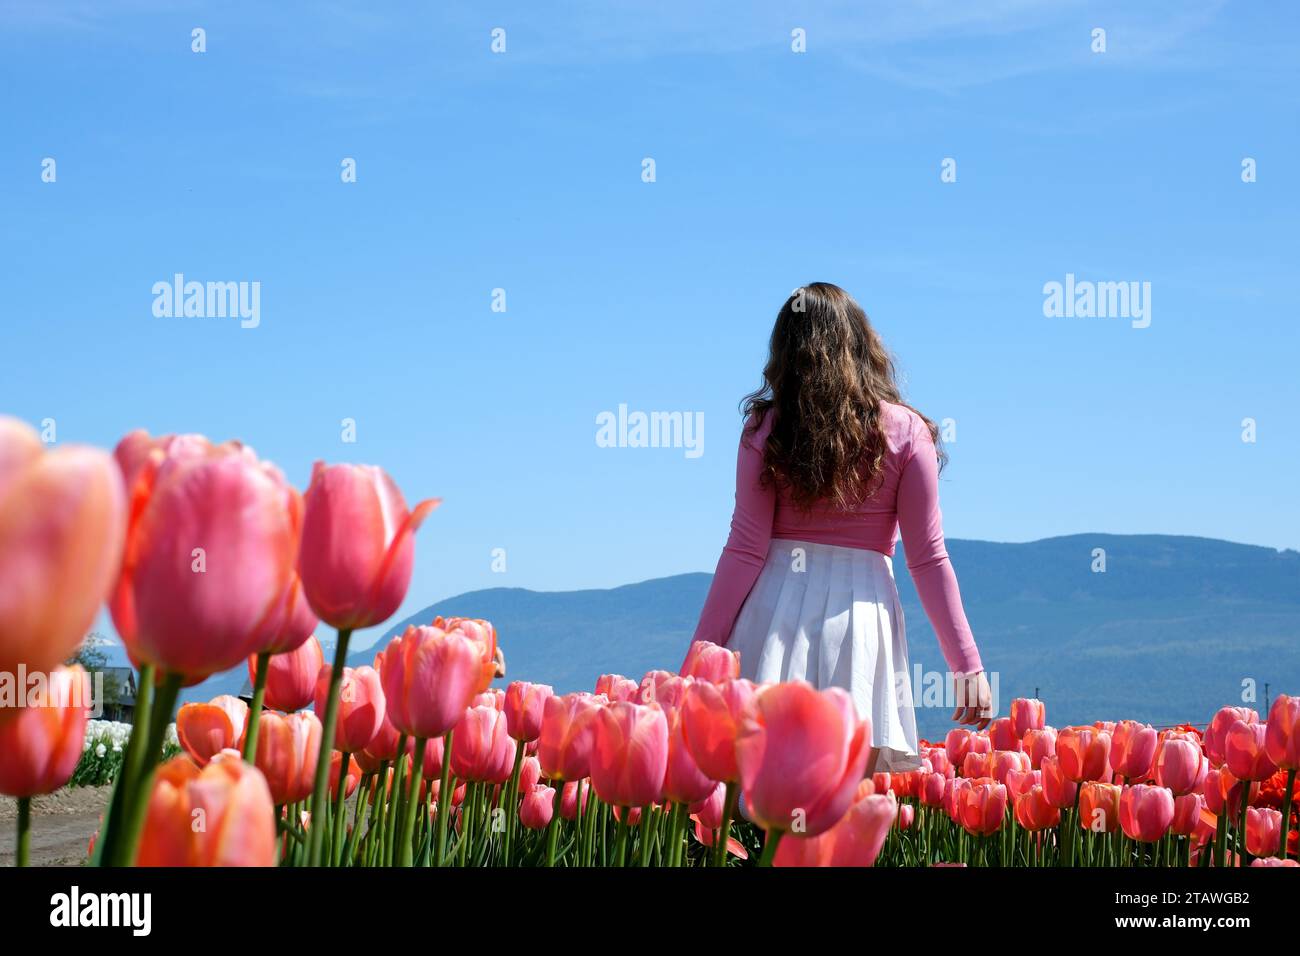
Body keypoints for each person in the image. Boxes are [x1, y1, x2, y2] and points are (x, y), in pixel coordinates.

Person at [691, 283, 992, 771]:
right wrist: (966, 666)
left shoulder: (765, 428)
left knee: (770, 803)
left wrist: (700, 656)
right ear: (862, 346)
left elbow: (745, 550)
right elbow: (928, 558)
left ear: (785, 351)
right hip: (861, 622)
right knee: (839, 803)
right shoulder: (906, 431)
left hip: (773, 614)